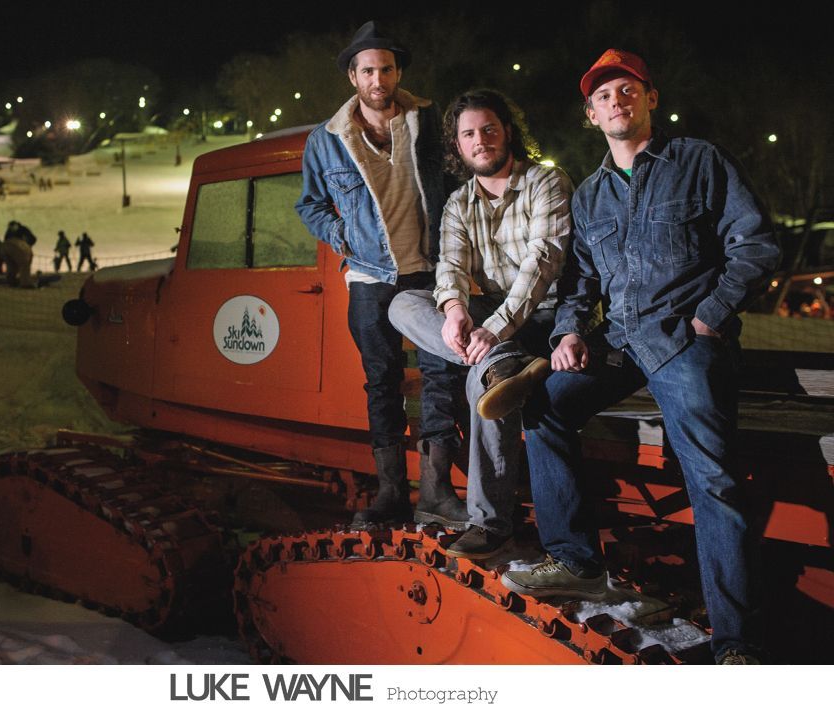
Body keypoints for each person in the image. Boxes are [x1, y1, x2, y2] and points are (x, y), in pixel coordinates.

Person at [501, 49, 782, 665]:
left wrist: (712, 313)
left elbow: (755, 244)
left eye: (626, 90)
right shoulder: (592, 195)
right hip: (622, 342)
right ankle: (574, 558)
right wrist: (570, 334)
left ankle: (737, 645)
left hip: (685, 339)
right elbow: (579, 283)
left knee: (712, 480)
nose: (616, 102)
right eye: (603, 96)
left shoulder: (698, 162)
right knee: (543, 404)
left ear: (650, 98)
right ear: (591, 115)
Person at [295, 21, 465, 528]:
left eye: (386, 68)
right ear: (353, 76)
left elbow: (456, 178)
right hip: (368, 276)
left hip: (427, 271)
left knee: (441, 374)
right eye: (368, 69)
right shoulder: (325, 140)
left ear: (397, 72)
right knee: (381, 382)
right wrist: (343, 237)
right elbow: (310, 205)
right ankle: (391, 491)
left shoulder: (427, 120)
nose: (378, 78)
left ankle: (436, 489)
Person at [389, 90, 572, 558]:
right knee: (403, 304)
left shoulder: (545, 183)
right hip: (490, 323)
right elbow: (450, 267)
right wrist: (454, 312)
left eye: (489, 129)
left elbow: (542, 264)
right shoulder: (458, 204)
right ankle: (499, 362)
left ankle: (490, 525)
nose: (481, 140)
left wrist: (494, 330)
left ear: (507, 131)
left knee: (482, 387)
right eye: (468, 133)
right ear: (458, 144)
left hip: (542, 314)